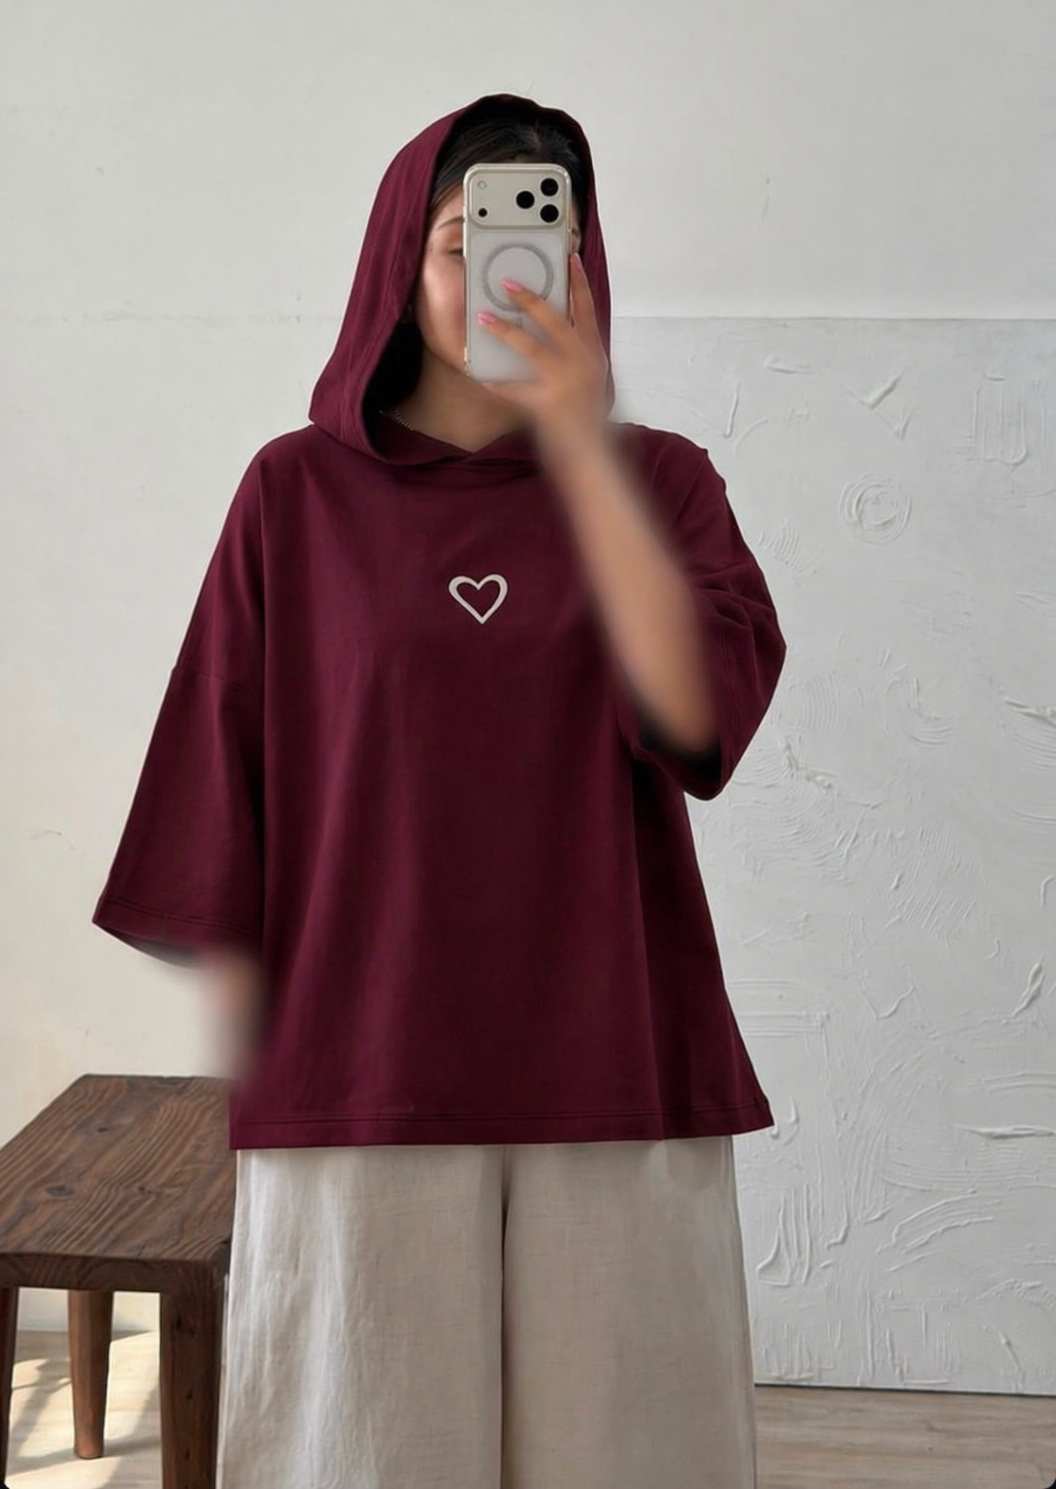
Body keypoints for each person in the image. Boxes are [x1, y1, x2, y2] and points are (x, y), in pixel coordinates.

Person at [91, 90, 787, 1489]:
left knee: (631, 1461)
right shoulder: (294, 496)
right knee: (363, 1456)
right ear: (397, 263)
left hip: (616, 1060)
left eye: (548, 238)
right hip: (363, 1070)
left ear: (588, 264)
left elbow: (699, 720)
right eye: (468, 241)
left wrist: (581, 448)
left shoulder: (663, 482)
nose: (508, 274)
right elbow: (219, 771)